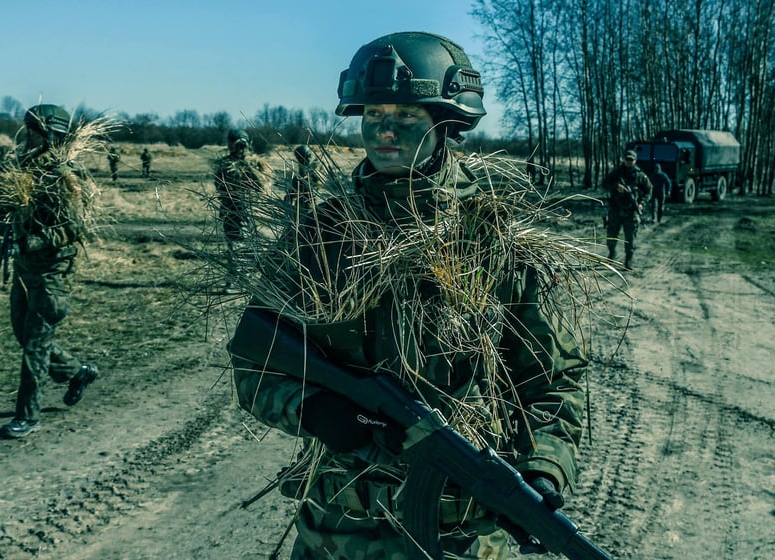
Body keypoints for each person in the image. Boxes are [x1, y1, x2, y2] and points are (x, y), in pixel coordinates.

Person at [228, 32, 588, 559]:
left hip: (459, 535)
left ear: (447, 124)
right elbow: (254, 361)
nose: (385, 133)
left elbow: (555, 381)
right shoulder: (320, 237)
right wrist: (314, 409)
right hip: (336, 530)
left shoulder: (496, 241)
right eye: (374, 117)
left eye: (407, 118)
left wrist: (545, 468)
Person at [0, 104, 99, 438]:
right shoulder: (22, 170)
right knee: (23, 335)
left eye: (35, 131)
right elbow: (10, 216)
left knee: (35, 345)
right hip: (24, 270)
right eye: (28, 130)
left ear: (52, 135)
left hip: (52, 274)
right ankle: (76, 371)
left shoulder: (64, 174)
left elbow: (75, 228)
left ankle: (27, 415)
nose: (28, 137)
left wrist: (32, 243)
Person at [602, 149, 652, 269]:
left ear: (635, 160)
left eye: (631, 160)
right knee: (611, 235)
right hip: (615, 210)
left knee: (630, 238)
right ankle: (612, 253)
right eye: (627, 159)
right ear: (623, 159)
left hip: (631, 211)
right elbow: (604, 184)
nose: (629, 162)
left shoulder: (640, 176)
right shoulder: (616, 173)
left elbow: (649, 191)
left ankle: (628, 260)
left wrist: (641, 204)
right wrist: (615, 187)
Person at [286, 144, 324, 208]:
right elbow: (292, 190)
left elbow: (318, 182)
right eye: (300, 159)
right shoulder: (299, 166)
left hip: (310, 198)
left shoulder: (315, 166)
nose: (305, 160)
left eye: (308, 157)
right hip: (301, 198)